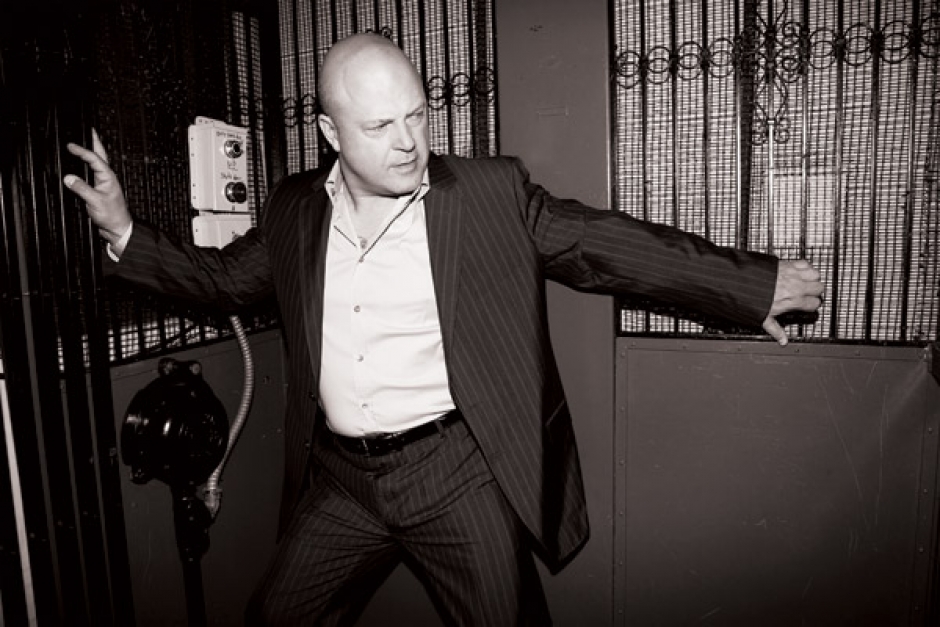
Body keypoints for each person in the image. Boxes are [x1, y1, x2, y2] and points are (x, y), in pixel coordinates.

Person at [65, 32, 823, 627]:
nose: (408, 141)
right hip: (343, 481)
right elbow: (222, 280)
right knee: (275, 615)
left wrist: (749, 286)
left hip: (454, 473)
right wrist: (126, 230)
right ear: (330, 132)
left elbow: (605, 244)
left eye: (417, 115)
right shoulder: (295, 208)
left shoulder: (486, 194)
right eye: (379, 125)